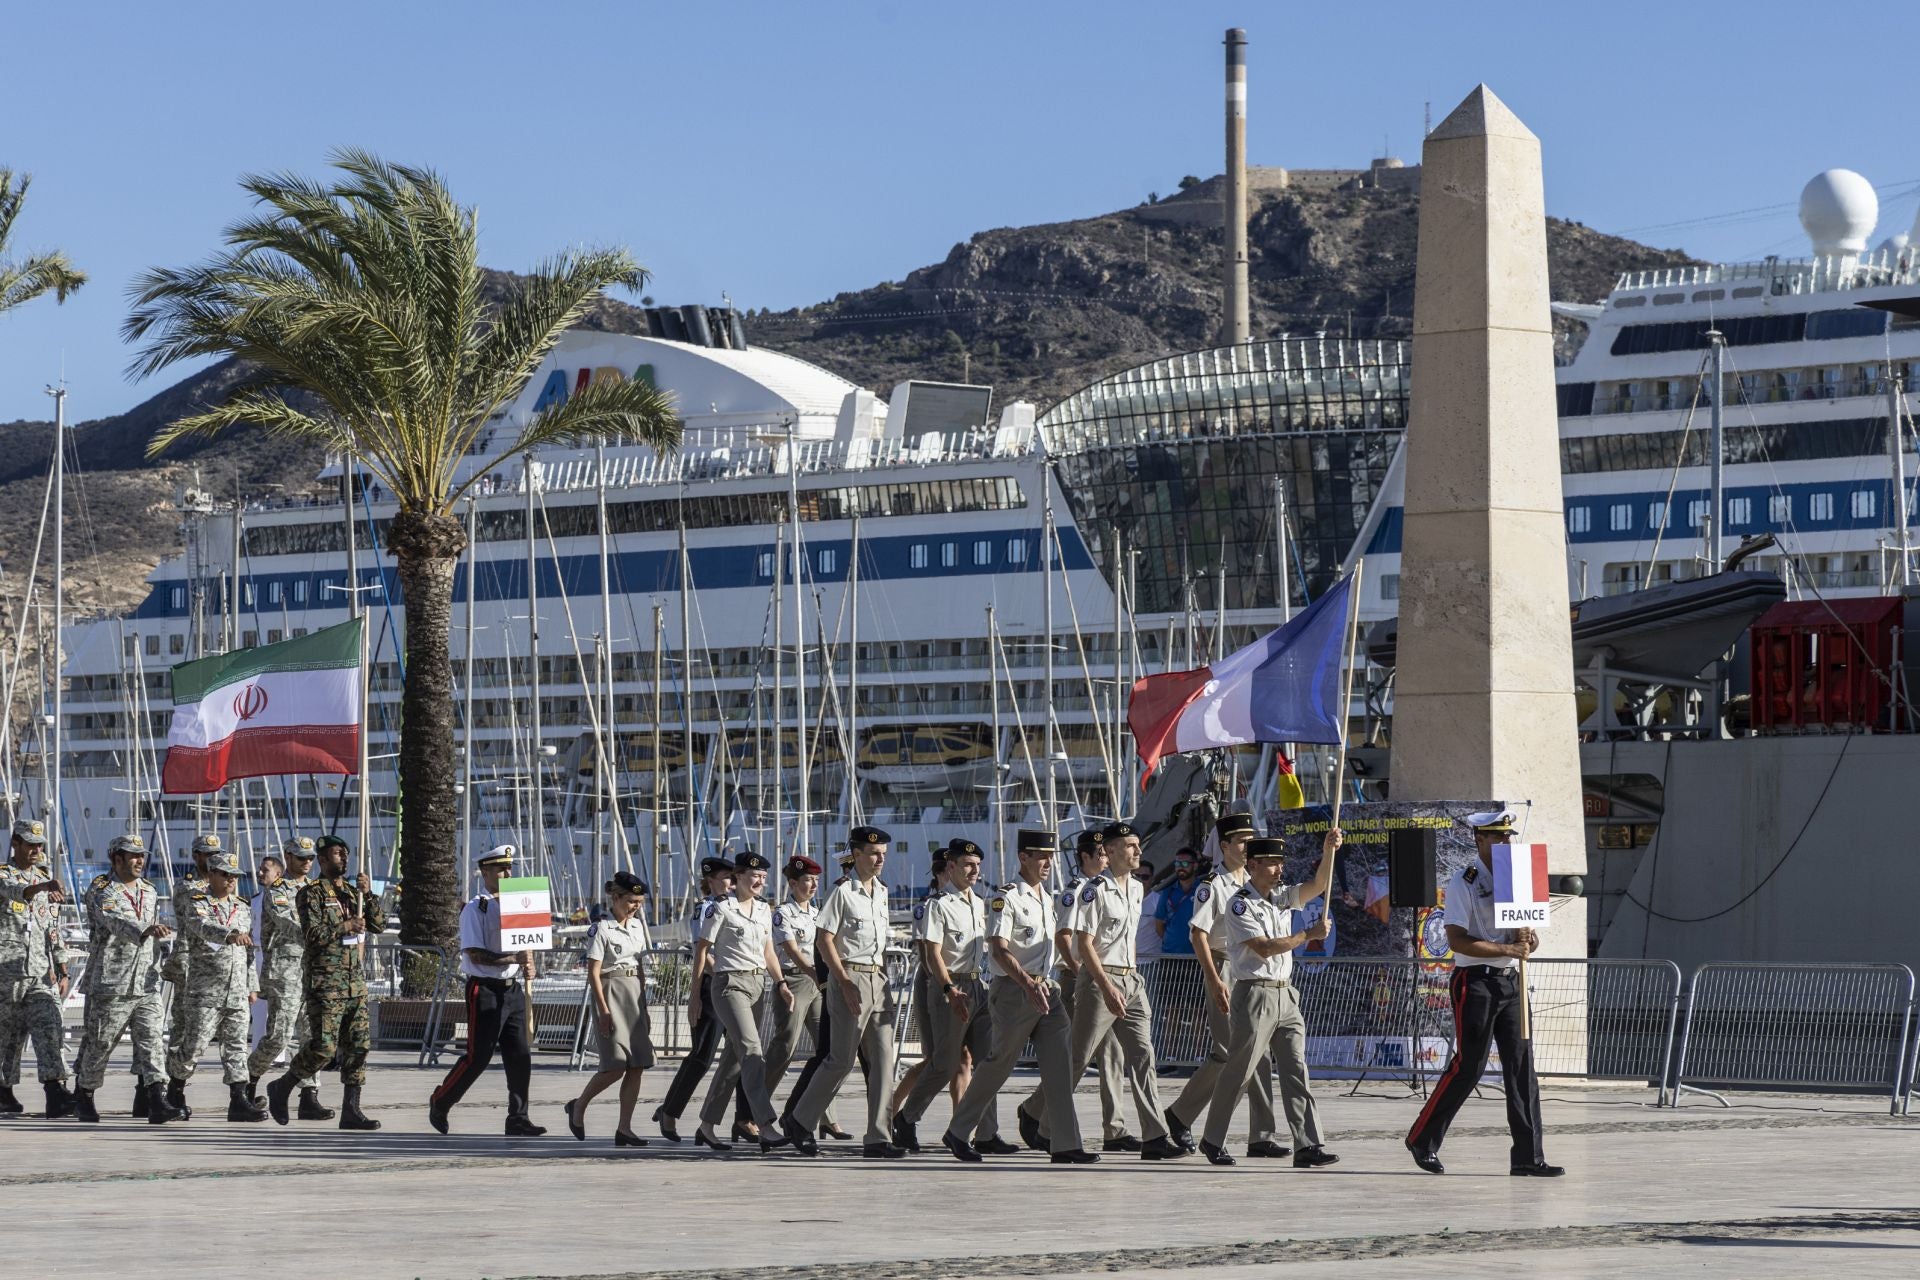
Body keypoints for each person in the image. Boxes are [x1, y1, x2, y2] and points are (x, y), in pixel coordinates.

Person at [1405, 811, 1564, 1178]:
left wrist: (1528, 941)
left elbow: (1523, 938)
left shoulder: (1519, 877)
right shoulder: (1465, 880)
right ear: (1479, 840)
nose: (1504, 843)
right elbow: (1457, 940)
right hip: (1475, 981)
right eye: (1496, 838)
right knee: (1469, 1066)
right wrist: (1508, 951)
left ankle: (1528, 1155)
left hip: (1511, 982)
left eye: (1507, 837)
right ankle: (1422, 1138)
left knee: (1523, 1069)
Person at [1031, 821, 1187, 1160]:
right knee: (1077, 1059)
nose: (1138, 852)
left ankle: (1155, 1137)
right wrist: (1105, 987)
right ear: (1112, 850)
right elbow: (1083, 944)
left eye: (1138, 846)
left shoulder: (1136, 888)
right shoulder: (1094, 890)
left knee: (1143, 1057)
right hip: (1099, 981)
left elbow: (1127, 938)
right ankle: (1048, 1129)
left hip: (1131, 980)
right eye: (1131, 846)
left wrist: (1130, 980)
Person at [941, 830, 1098, 1164]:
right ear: (1023, 857)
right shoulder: (1006, 898)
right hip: (1015, 990)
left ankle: (1064, 1143)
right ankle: (958, 1131)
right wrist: (1027, 984)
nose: (1047, 863)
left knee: (1060, 1067)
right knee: (999, 1063)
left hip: (1046, 989)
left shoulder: (1046, 897)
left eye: (1051, 856)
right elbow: (999, 950)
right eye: (1040, 856)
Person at [1198, 834, 1341, 1168]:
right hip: (1255, 993)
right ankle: (1213, 1138)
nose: (1280, 869)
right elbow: (1263, 947)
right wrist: (1308, 935)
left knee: (1295, 1070)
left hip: (1285, 992)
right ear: (1254, 865)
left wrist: (1327, 850)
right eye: (1273, 863)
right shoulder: (1240, 903)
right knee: (1240, 1071)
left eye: (1281, 863)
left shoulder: (1283, 897)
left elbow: (1320, 884)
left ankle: (1308, 1144)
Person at [781, 825, 901, 1158]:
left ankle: (878, 1137)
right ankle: (800, 1120)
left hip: (878, 978)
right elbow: (824, 940)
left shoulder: (882, 891)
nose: (879, 860)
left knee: (882, 1062)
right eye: (873, 854)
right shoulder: (842, 892)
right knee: (841, 1060)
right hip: (850, 977)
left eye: (883, 855)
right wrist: (843, 982)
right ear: (857, 855)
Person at [1166, 812, 1280, 1156]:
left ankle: (1261, 1136)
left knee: (1260, 1053)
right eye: (1241, 842)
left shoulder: (1253, 880)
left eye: (1250, 841)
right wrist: (1214, 979)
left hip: (1250, 966)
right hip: (1222, 964)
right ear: (1225, 845)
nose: (1247, 848)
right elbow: (1197, 933)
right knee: (1229, 1052)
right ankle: (1180, 1114)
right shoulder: (1212, 885)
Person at [895, 837, 1017, 1155]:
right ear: (951, 867)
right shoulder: (938, 905)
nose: (974, 871)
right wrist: (948, 988)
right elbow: (932, 953)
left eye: (977, 865)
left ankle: (986, 1133)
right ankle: (906, 1119)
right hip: (951, 986)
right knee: (945, 1064)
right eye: (967, 865)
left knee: (989, 1062)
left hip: (979, 985)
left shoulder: (980, 904)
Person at [1018, 830, 1133, 1152]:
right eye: (1099, 854)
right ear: (1085, 857)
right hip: (1079, 979)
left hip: (1104, 980)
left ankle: (1116, 1129)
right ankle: (1035, 1109)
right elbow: (1063, 937)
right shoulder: (1076, 891)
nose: (1106, 858)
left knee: (1112, 1054)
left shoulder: (1116, 888)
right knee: (1076, 1054)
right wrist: (1084, 974)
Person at [264, 834, 383, 1130]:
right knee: (324, 1048)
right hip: (326, 981)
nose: (343, 857)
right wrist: (346, 925)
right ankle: (282, 1087)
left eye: (345, 853)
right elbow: (312, 934)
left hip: (354, 980)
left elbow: (379, 924)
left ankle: (351, 1109)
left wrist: (367, 896)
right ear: (322, 860)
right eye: (336, 854)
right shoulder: (311, 893)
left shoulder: (354, 894)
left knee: (359, 1046)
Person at [428, 844, 546, 1137]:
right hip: (485, 989)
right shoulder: (476, 908)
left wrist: (527, 963)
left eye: (509, 868)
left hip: (512, 989)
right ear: (485, 872)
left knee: (519, 1055)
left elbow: (525, 945)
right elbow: (475, 954)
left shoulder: (520, 903)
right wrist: (513, 958)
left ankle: (518, 1116)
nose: (507, 873)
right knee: (477, 1056)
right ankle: (441, 1099)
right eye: (500, 868)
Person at [72, 834, 179, 1124]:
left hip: (145, 980)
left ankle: (157, 1099)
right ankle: (84, 1094)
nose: (139, 861)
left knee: (152, 1040)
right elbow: (115, 920)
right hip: (112, 981)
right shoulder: (101, 889)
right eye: (132, 856)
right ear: (116, 859)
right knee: (101, 1043)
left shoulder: (150, 889)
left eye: (141, 855)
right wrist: (146, 928)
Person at [692, 850, 794, 1152]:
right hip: (728, 984)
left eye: (764, 876)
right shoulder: (720, 909)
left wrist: (781, 983)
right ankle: (764, 1125)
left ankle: (707, 1126)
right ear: (738, 878)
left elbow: (768, 952)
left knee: (734, 1060)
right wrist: (694, 995)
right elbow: (701, 951)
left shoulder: (764, 910)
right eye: (755, 876)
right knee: (752, 1051)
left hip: (757, 983)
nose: (760, 881)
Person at [653, 856, 753, 1142]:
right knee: (702, 1056)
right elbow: (703, 953)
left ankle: (744, 1119)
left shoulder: (738, 907)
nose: (732, 883)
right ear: (709, 881)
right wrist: (717, 978)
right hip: (713, 988)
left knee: (746, 1053)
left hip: (736, 988)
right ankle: (669, 1111)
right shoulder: (706, 910)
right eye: (726, 877)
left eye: (733, 878)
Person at [164, 850, 267, 1122]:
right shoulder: (198, 903)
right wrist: (229, 934)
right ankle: (173, 1089)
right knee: (194, 1046)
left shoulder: (242, 907)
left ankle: (239, 1100)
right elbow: (202, 926)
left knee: (235, 1047)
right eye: (225, 874)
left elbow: (248, 951)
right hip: (205, 990)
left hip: (235, 990)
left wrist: (251, 985)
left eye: (234, 875)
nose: (231, 879)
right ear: (211, 874)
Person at [566, 871, 655, 1146]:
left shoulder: (638, 927)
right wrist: (603, 1010)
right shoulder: (601, 929)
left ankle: (624, 1128)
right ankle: (579, 1105)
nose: (635, 906)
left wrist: (644, 1003)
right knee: (615, 1065)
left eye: (639, 901)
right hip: (610, 991)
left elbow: (638, 966)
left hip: (634, 994)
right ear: (615, 898)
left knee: (637, 1064)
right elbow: (593, 972)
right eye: (630, 901)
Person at [765, 854, 847, 1138]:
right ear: (793, 883)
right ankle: (755, 1110)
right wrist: (812, 972)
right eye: (808, 880)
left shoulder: (817, 914)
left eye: (815, 881)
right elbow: (789, 948)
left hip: (819, 983)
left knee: (826, 1050)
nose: (813, 885)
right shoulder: (782, 913)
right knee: (785, 1046)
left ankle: (827, 1117)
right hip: (795, 980)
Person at [248, 836, 328, 1118]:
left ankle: (309, 1096)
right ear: (288, 857)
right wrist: (331, 930)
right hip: (285, 970)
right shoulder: (277, 890)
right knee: (279, 1035)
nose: (307, 862)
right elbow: (293, 924)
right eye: (301, 857)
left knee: (311, 1035)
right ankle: (249, 1083)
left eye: (310, 858)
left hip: (312, 970)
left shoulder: (318, 889)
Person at [0, 818, 75, 1118]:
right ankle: (3, 1092)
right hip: (7, 971)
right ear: (15, 843)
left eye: (39, 845)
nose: (35, 849)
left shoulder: (44, 878)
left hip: (40, 972)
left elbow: (50, 926)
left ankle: (55, 1092)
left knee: (49, 1028)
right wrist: (43, 886)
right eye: (29, 844)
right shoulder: (4, 875)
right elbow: (19, 892)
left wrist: (63, 965)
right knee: (7, 1037)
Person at [160, 832, 222, 1118]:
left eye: (216, 854)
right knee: (183, 1029)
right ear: (196, 856)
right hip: (188, 963)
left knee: (200, 1031)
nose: (213, 860)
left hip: (214, 965)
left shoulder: (224, 884)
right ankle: (168, 1089)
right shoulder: (189, 887)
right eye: (207, 855)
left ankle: (171, 1086)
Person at [1154, 849, 1201, 956]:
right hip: (1170, 955)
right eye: (1177, 863)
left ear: (1195, 866)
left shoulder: (1204, 890)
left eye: (1185, 863)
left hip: (1197, 955)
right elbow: (1158, 926)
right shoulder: (1167, 892)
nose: (1180, 867)